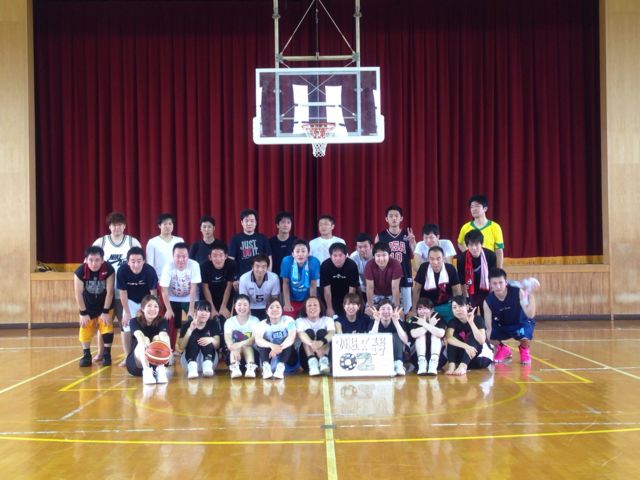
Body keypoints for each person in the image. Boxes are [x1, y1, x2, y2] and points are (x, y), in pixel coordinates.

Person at [92, 211, 142, 362]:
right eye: (114, 225)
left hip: (126, 293)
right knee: (103, 325)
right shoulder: (101, 242)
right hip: (105, 292)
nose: (117, 228)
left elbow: (140, 265)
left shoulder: (132, 242)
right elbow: (90, 263)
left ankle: (129, 356)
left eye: (120, 225)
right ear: (109, 226)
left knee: (127, 325)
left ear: (125, 226)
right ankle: (100, 353)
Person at [483, 268, 539, 364]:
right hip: (503, 326)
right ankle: (502, 349)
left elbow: (530, 314)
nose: (498, 286)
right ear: (490, 284)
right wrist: (485, 343)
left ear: (506, 282)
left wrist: (531, 293)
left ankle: (524, 349)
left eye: (500, 282)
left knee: (525, 338)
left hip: (520, 323)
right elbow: (488, 328)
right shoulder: (488, 301)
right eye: (494, 283)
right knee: (485, 334)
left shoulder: (518, 292)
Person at [116, 246, 158, 367]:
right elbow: (123, 293)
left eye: (139, 261)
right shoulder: (122, 271)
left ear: (144, 261)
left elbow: (153, 293)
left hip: (146, 301)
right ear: (128, 262)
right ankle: (127, 357)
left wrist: (148, 309)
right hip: (130, 301)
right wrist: (127, 312)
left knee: (150, 325)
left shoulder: (150, 271)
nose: (136, 265)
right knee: (126, 326)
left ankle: (152, 356)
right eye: (133, 261)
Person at [74, 245, 115, 367]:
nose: (94, 263)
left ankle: (107, 354)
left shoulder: (109, 269)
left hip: (104, 304)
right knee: (85, 327)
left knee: (106, 326)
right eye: (91, 260)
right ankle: (86, 354)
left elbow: (110, 292)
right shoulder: (80, 271)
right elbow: (78, 294)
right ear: (86, 260)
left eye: (97, 260)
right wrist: (83, 313)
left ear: (102, 260)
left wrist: (105, 311)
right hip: (88, 306)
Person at [159, 242, 201, 350]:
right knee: (171, 323)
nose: (181, 260)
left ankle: (191, 348)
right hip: (172, 298)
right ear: (173, 256)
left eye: (184, 256)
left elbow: (193, 289)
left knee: (194, 320)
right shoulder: (168, 266)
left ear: (188, 256)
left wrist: (191, 309)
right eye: (178, 256)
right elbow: (164, 290)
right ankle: (171, 349)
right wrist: (168, 309)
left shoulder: (194, 265)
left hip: (190, 298)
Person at [375, 205, 416, 313]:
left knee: (406, 309)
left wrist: (412, 242)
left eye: (396, 216)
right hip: (387, 276)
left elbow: (415, 253)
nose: (394, 218)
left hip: (405, 274)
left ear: (401, 218)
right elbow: (375, 256)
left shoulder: (407, 235)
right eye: (391, 216)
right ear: (386, 219)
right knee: (389, 308)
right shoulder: (380, 236)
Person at [126, 294, 171, 385]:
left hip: (157, 361)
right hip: (137, 364)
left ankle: (160, 370)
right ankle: (147, 372)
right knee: (145, 339)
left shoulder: (163, 321)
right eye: (149, 306)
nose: (152, 309)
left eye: (156, 306)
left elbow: (164, 335)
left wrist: (167, 349)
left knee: (157, 338)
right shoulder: (134, 321)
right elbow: (139, 335)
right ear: (143, 308)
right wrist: (148, 348)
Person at [411, 245, 462, 323]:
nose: (435, 262)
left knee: (452, 323)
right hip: (426, 307)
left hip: (446, 306)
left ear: (443, 258)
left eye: (438, 259)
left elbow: (457, 292)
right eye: (432, 259)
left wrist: (458, 309)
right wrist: (414, 310)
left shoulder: (450, 269)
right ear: (428, 259)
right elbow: (417, 290)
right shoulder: (423, 268)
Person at [445, 296, 493, 376]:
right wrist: (467, 346)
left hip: (480, 358)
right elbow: (449, 338)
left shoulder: (477, 319)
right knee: (453, 336)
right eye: (454, 307)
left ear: (467, 307)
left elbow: (481, 341)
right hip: (461, 359)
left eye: (460, 306)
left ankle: (463, 366)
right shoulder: (452, 322)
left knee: (472, 336)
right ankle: (452, 365)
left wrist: (471, 323)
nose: (458, 309)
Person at [253, 298, 297, 380]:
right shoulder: (261, 324)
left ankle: (281, 367)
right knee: (264, 342)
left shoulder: (289, 320)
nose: (275, 309)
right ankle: (266, 367)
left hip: (287, 357)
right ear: (267, 311)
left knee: (287, 341)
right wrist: (272, 346)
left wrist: (278, 348)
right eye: (271, 307)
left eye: (277, 307)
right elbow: (258, 340)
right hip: (270, 355)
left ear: (282, 310)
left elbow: (291, 337)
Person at [457, 194, 505, 268]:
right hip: (471, 265)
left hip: (489, 263)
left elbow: (499, 251)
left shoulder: (495, 227)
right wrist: (469, 253)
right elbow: (460, 243)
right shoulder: (465, 227)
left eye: (477, 206)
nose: (474, 209)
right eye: (472, 207)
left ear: (485, 209)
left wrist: (499, 269)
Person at [177, 300, 221, 378]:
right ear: (195, 312)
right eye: (201, 310)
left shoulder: (213, 324)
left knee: (207, 338)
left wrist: (211, 339)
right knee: (193, 337)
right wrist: (190, 330)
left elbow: (217, 345)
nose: (204, 313)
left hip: (210, 362)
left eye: (207, 311)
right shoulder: (187, 324)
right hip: (188, 362)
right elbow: (181, 347)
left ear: (210, 313)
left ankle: (207, 364)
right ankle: (192, 366)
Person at [456, 229, 497, 310]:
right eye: (471, 245)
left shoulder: (491, 255)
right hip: (470, 291)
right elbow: (462, 282)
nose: (474, 248)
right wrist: (466, 299)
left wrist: (491, 297)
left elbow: (493, 278)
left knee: (486, 313)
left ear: (481, 244)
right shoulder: (461, 259)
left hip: (486, 290)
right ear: (467, 246)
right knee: (470, 314)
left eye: (477, 244)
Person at [405, 298, 446, 376]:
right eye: (420, 309)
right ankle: (422, 363)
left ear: (431, 310)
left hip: (439, 359)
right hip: (417, 359)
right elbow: (414, 334)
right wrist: (430, 325)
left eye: (425, 308)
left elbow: (441, 333)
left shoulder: (437, 318)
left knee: (435, 336)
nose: (422, 311)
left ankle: (433, 363)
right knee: (420, 336)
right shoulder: (414, 319)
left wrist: (425, 324)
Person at [296, 296, 335, 376]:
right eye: (309, 305)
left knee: (322, 332)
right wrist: (313, 345)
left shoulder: (328, 320)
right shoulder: (300, 321)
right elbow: (300, 334)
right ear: (305, 309)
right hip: (306, 358)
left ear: (320, 308)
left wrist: (321, 342)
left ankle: (324, 360)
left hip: (325, 354)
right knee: (308, 332)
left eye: (315, 305)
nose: (312, 307)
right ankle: (312, 362)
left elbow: (332, 333)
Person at [280, 239, 320, 318]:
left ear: (308, 253)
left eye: (303, 251)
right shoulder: (286, 261)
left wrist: (312, 304)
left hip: (307, 298)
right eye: (297, 251)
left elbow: (313, 285)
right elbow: (285, 283)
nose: (300, 254)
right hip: (292, 299)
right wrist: (287, 304)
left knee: (312, 318)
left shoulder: (314, 262)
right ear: (292, 254)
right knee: (287, 319)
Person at [368, 300, 409, 376]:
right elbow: (370, 340)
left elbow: (405, 340)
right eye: (383, 309)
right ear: (378, 311)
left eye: (389, 309)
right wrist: (377, 322)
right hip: (379, 354)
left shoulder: (399, 322)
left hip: (396, 354)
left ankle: (398, 364)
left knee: (396, 335)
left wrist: (396, 322)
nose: (386, 311)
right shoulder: (373, 322)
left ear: (393, 311)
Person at [224, 295, 260, 378]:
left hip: (253, 355)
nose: (242, 307)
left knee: (246, 345)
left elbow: (253, 339)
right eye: (239, 305)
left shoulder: (255, 320)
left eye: (245, 305)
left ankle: (250, 367)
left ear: (249, 307)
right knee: (236, 346)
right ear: (235, 307)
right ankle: (234, 367)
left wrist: (239, 344)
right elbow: (228, 339)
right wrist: (233, 348)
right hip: (234, 355)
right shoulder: (229, 322)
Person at [228, 208, 272, 277]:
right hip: (241, 277)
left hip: (260, 276)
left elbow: (269, 258)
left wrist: (268, 275)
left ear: (256, 223)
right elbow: (231, 260)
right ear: (242, 223)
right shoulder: (235, 239)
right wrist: (233, 278)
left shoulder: (262, 238)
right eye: (246, 221)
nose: (249, 223)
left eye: (252, 221)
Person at [320, 242, 360, 317]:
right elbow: (326, 289)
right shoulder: (325, 266)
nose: (337, 258)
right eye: (335, 255)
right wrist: (329, 308)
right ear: (330, 256)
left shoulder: (352, 265)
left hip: (346, 294)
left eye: (340, 255)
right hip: (330, 296)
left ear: (346, 256)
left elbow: (352, 290)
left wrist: (348, 307)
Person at [200, 240, 236, 319]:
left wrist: (223, 306)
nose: (218, 259)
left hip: (225, 295)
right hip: (210, 295)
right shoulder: (204, 267)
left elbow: (229, 286)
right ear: (210, 257)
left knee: (225, 317)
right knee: (210, 318)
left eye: (221, 255)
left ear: (226, 256)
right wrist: (212, 308)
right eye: (215, 256)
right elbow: (205, 287)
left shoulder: (231, 264)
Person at [364, 242, 403, 313]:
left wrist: (396, 308)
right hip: (376, 294)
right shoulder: (369, 265)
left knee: (399, 314)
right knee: (368, 312)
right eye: (378, 256)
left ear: (389, 255)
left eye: (384, 255)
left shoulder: (396, 264)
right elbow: (370, 288)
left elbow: (395, 287)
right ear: (374, 256)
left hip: (391, 294)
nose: (381, 259)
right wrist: (370, 306)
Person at [238, 254, 280, 319]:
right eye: (257, 266)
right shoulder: (243, 278)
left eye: (263, 266)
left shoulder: (274, 278)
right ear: (252, 267)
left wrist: (271, 313)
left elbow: (274, 298)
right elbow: (244, 299)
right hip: (250, 307)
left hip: (268, 307)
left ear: (267, 267)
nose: (260, 269)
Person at [146, 213, 185, 278]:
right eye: (165, 224)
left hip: (178, 278)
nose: (168, 226)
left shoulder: (179, 240)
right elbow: (150, 264)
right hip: (159, 278)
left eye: (170, 224)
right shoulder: (152, 242)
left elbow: (184, 260)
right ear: (159, 226)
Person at [269, 211, 298, 277]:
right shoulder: (270, 242)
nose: (286, 225)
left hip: (292, 276)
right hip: (275, 276)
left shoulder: (296, 241)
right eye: (283, 222)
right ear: (277, 225)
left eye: (288, 222)